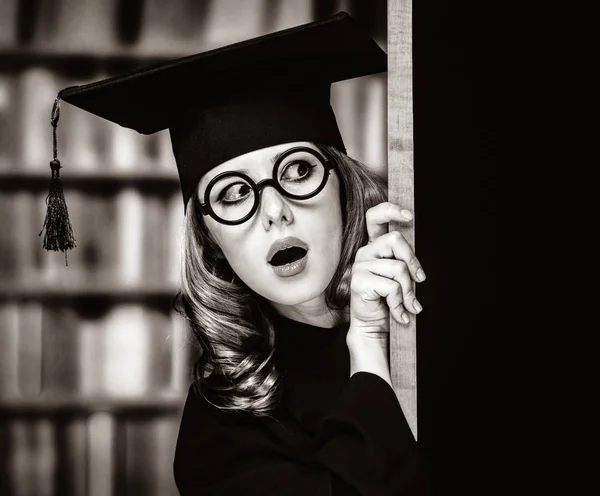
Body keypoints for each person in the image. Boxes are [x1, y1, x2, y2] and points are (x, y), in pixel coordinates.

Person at [45, 12, 432, 495]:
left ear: (343, 187)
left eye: (296, 171)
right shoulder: (220, 434)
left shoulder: (428, 305)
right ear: (210, 240)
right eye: (232, 194)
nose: (274, 211)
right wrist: (369, 344)